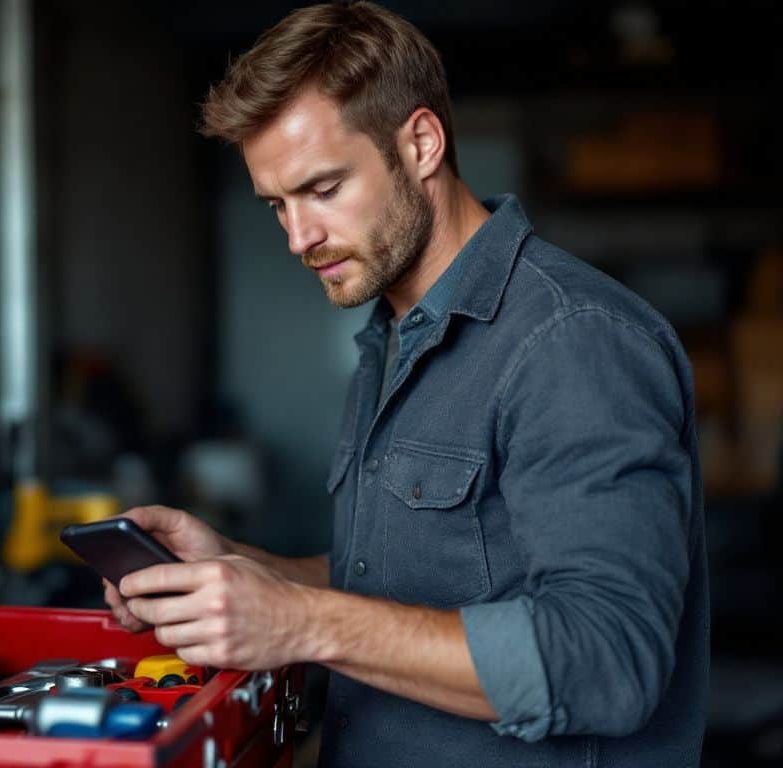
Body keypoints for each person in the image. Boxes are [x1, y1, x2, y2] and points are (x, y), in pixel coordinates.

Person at [102, 3, 708, 766]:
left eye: (323, 188)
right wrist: (246, 572)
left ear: (421, 143)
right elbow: (408, 579)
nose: (299, 237)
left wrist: (300, 622)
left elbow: (609, 660)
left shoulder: (572, 341)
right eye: (276, 205)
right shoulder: (392, 332)